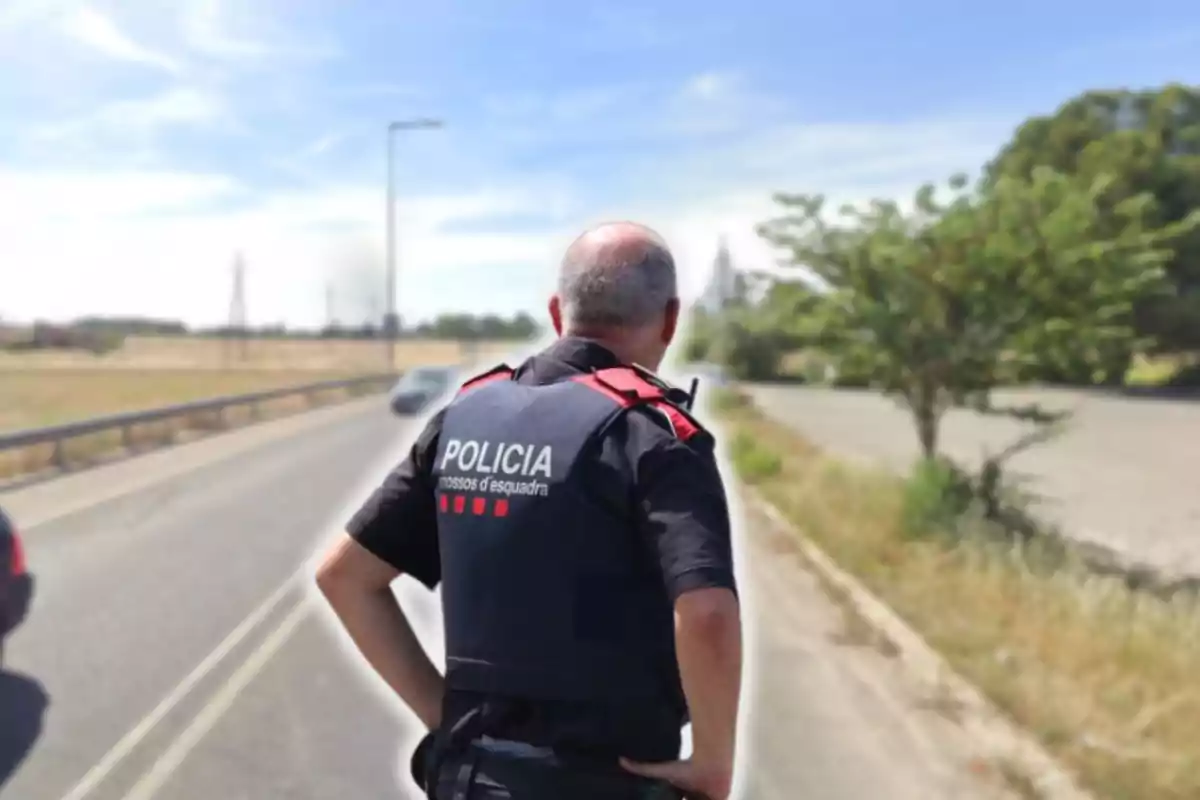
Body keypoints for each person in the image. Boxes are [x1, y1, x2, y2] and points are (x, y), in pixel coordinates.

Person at [315, 221, 743, 799]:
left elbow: (344, 576)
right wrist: (713, 764)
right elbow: (708, 615)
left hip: (471, 782)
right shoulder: (656, 436)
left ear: (555, 311)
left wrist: (446, 721)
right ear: (671, 319)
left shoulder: (464, 417)